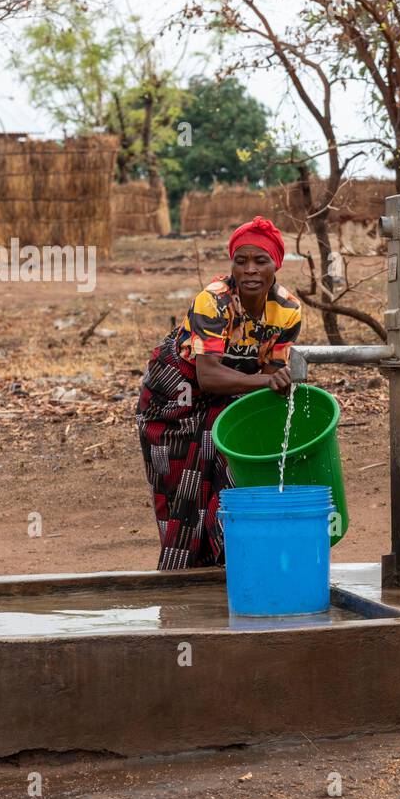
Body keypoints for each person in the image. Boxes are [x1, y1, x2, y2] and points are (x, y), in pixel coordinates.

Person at [136, 216, 301, 569]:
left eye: (261, 261)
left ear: (277, 265)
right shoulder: (213, 301)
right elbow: (209, 376)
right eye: (241, 262)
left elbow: (272, 375)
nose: (250, 271)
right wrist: (266, 382)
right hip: (174, 399)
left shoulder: (287, 311)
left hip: (229, 396)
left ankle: (226, 571)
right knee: (181, 490)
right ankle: (183, 579)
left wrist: (272, 387)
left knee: (233, 479)